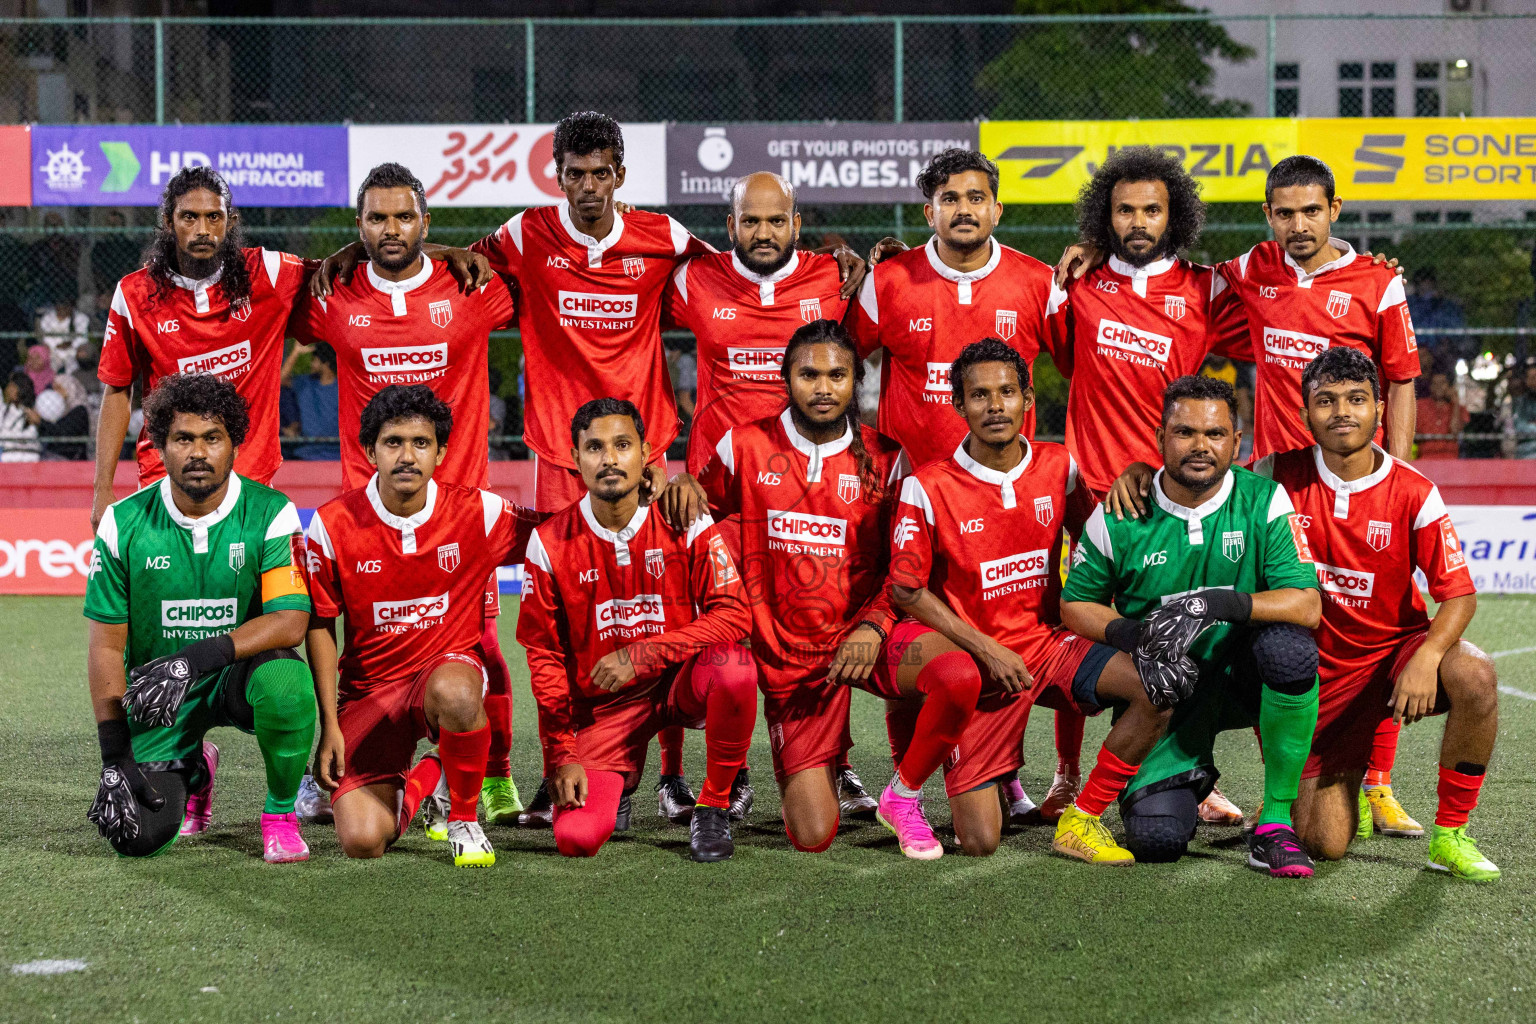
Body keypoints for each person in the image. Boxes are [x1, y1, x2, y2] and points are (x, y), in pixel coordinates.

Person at [314, 118, 724, 824]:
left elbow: (736, 270)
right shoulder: (526, 234)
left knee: (662, 608)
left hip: (644, 451)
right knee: (561, 623)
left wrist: (834, 262)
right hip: (560, 458)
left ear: (620, 174)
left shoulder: (665, 235)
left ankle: (670, 777)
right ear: (556, 174)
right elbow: (436, 258)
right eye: (575, 172)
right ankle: (566, 763)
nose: (588, 185)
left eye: (601, 172)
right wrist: (370, 245)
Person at [292, 162, 525, 825]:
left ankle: (488, 779)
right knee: (361, 654)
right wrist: (337, 257)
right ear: (357, 226)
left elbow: (539, 280)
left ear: (426, 221)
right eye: (375, 218)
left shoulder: (472, 288)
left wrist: (462, 254)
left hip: (460, 513)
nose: (390, 229)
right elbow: (279, 303)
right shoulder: (332, 295)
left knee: (477, 645)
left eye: (403, 216)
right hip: (363, 515)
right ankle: (334, 761)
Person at [849, 149, 1077, 821]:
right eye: (950, 198)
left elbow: (1084, 362)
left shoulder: (1038, 282)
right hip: (910, 495)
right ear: (930, 211)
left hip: (1008, 502)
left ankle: (1003, 769)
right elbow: (832, 362)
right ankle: (904, 776)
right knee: (910, 631)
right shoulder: (891, 281)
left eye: (977, 197)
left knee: (1017, 626)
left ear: (997, 208)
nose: (965, 209)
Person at [883, 338, 1175, 862]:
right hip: (982, 665)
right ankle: (986, 776)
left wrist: (1143, 474)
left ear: (1028, 398)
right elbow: (906, 588)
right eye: (979, 395)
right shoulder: (927, 485)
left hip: (1048, 649)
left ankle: (1082, 818)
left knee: (1156, 687)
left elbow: (1100, 541)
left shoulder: (1058, 465)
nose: (995, 406)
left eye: (1007, 392)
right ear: (958, 404)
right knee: (979, 842)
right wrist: (984, 648)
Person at [93, 166, 482, 530]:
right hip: (166, 475)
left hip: (251, 483)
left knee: (256, 604)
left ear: (230, 223)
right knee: (164, 601)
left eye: (214, 217)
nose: (202, 229)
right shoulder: (133, 293)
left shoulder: (269, 274)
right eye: (189, 217)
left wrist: (443, 251)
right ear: (168, 222)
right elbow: (117, 389)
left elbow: (385, 250)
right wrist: (102, 489)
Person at [1044, 146, 1252, 825]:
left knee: (1190, 634)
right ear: (1104, 217)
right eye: (1125, 209)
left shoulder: (1206, 289)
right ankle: (1068, 775)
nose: (1138, 221)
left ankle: (1192, 766)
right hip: (1090, 493)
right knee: (1084, 633)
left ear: (1175, 216)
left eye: (1152, 210)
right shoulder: (1077, 283)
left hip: (1173, 496)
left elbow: (1285, 322)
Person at [662, 170, 876, 819]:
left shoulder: (831, 278)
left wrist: (869, 254)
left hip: (807, 496)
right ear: (729, 229)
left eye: (774, 220)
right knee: (701, 637)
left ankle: (834, 765)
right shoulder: (693, 280)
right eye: (750, 222)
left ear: (796, 223)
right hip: (715, 500)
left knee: (823, 626)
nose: (763, 232)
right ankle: (681, 777)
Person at [1063, 375, 1325, 878]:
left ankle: (1273, 824)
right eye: (1185, 433)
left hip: (1240, 676)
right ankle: (1191, 775)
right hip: (1165, 696)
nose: (1201, 446)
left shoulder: (1264, 500)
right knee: (1157, 841)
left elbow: (1306, 604)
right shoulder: (1120, 512)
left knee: (1290, 652)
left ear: (1236, 441)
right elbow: (1076, 604)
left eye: (1215, 434)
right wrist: (1135, 636)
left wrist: (1217, 603)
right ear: (1160, 437)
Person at [658, 321, 906, 851]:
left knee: (948, 671)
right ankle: (672, 754)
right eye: (808, 374)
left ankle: (941, 786)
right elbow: (698, 514)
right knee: (813, 834)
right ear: (786, 378)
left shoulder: (888, 459)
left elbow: (906, 566)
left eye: (837, 375)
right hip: (780, 654)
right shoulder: (744, 446)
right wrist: (682, 483)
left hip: (855, 646)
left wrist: (875, 625)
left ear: (855, 381)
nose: (823, 387)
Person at [1252, 349, 1500, 879]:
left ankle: (1451, 835)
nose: (1342, 412)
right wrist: (1137, 470)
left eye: (1356, 399)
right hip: (1312, 675)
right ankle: (1342, 782)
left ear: (1379, 410)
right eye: (1326, 401)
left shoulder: (1414, 490)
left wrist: (1428, 654)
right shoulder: (1275, 475)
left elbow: (1459, 593)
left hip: (1391, 659)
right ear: (1305, 414)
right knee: (1325, 844)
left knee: (1474, 673)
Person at [303, 385, 541, 867]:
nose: (407, 455)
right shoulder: (332, 525)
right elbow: (321, 627)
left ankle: (465, 819)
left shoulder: (478, 512)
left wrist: (643, 498)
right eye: (393, 443)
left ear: (441, 452)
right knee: (362, 842)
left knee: (456, 692)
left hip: (445, 672)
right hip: (370, 690)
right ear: (370, 450)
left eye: (421, 443)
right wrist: (329, 725)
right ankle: (430, 773)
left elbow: (562, 531)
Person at [82, 373, 315, 863]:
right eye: (183, 438)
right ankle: (194, 768)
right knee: (138, 837)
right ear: (159, 445)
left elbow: (291, 622)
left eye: (213, 438)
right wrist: (114, 754)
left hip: (236, 675)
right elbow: (105, 647)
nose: (198, 452)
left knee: (287, 685)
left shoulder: (272, 512)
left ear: (234, 445)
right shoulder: (123, 524)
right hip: (160, 695)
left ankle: (279, 814)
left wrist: (193, 658)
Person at [517, 399, 759, 862]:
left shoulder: (682, 516)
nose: (609, 458)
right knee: (577, 839)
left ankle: (713, 805)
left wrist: (643, 655)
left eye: (622, 445)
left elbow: (734, 614)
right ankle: (619, 777)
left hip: (678, 683)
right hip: (606, 710)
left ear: (646, 452)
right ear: (575, 458)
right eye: (595, 447)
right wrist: (561, 753)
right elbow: (543, 655)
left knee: (735, 666)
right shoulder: (549, 542)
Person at [1056, 156, 1414, 464]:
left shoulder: (1379, 283)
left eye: (1312, 211)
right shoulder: (1253, 267)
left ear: (1334, 209)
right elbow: (1165, 275)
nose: (1299, 225)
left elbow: (1401, 383)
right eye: (1285, 214)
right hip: (1276, 472)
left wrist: (1398, 474)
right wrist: (1099, 245)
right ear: (1269, 215)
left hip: (1356, 468)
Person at [279, 342, 340, 461]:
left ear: (325, 363)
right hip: (305, 454)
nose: (311, 363)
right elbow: (279, 380)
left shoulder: (343, 388)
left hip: (337, 455)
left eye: (314, 360)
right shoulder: (304, 383)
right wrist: (295, 353)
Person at [1406, 267, 1466, 365]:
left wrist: (1447, 341)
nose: (1426, 286)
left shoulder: (1446, 305)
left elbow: (1456, 326)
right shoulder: (1409, 304)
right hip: (1414, 349)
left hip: (1439, 350)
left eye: (1429, 281)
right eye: (1422, 282)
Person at [1416, 369, 1468, 459]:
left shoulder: (1458, 408)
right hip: (1426, 456)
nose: (1438, 387)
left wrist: (1455, 403)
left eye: (1442, 383)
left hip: (1450, 457)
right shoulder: (1420, 406)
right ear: (1430, 386)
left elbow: (1454, 430)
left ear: (1449, 386)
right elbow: (1416, 433)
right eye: (1434, 384)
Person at [0, 370, 41, 462]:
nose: (7, 389)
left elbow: (29, 437)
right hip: (7, 454)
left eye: (12, 386)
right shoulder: (4, 409)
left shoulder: (32, 413)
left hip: (26, 456)